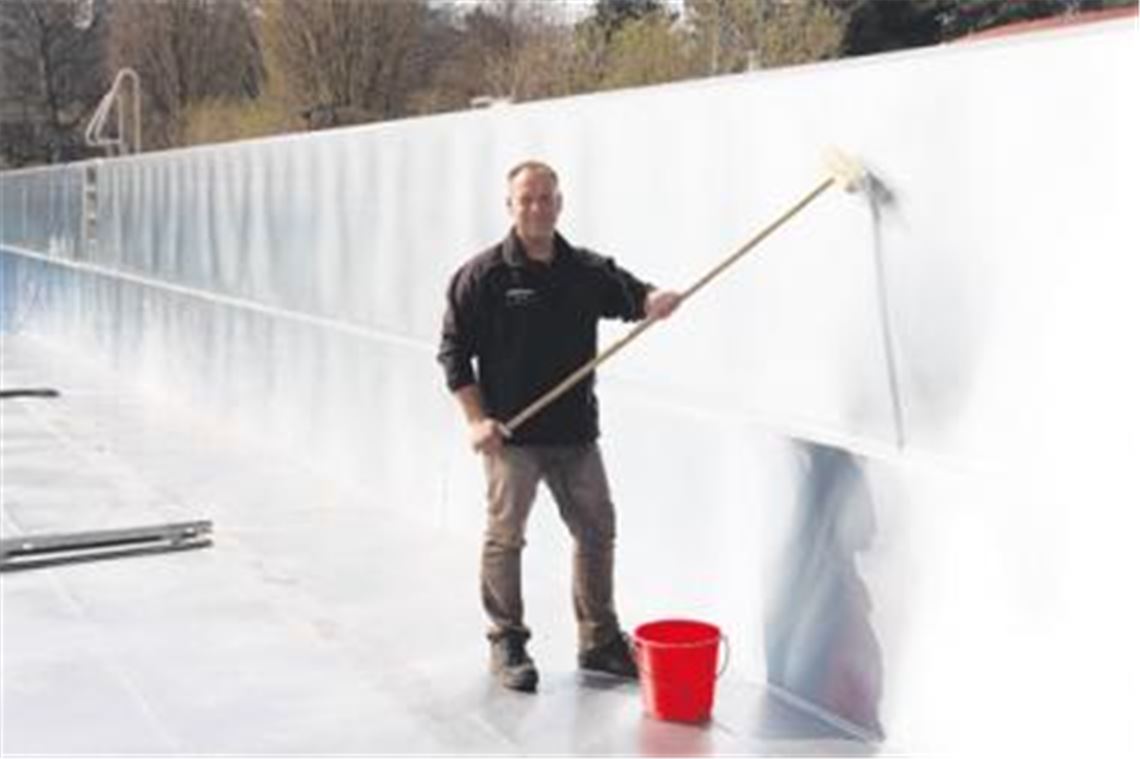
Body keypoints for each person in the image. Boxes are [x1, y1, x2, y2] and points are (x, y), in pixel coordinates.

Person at [437, 161, 682, 692]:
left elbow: (634, 295)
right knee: (506, 538)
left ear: (559, 203)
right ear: (510, 206)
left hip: (575, 435)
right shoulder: (482, 277)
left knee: (597, 530)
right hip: (513, 439)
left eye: (546, 198)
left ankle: (598, 641)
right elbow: (453, 354)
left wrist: (653, 300)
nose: (537, 207)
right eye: (526, 199)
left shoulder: (585, 270)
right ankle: (508, 641)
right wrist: (477, 421)